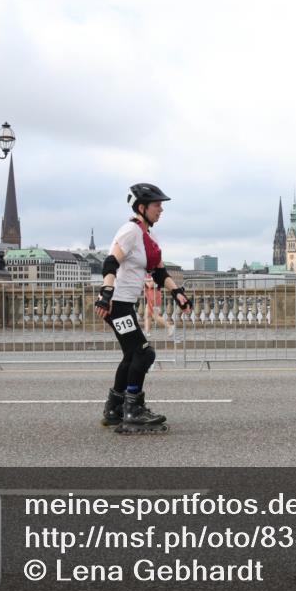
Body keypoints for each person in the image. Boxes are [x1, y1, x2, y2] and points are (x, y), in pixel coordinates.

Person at [94, 183, 193, 434]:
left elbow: (159, 272)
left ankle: (114, 408)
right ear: (142, 207)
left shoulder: (149, 236)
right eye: (157, 205)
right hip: (117, 305)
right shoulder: (130, 231)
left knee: (131, 355)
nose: (161, 209)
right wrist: (106, 294)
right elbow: (110, 262)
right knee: (144, 354)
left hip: (126, 303)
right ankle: (133, 410)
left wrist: (178, 293)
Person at [142, 273, 176, 337]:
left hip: (154, 298)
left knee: (155, 316)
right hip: (150, 297)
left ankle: (170, 326)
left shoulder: (154, 274)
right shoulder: (146, 274)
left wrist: (144, 280)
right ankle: (147, 331)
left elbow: (150, 285)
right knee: (147, 315)